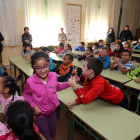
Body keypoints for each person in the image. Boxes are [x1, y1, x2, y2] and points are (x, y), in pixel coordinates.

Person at [23, 52, 69, 140]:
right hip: (40, 115)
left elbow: (57, 87)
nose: (43, 70)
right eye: (38, 68)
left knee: (52, 133)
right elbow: (26, 94)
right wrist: (33, 106)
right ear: (33, 67)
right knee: (46, 137)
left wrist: (68, 84)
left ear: (50, 65)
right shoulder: (30, 81)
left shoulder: (54, 76)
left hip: (53, 112)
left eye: (46, 66)